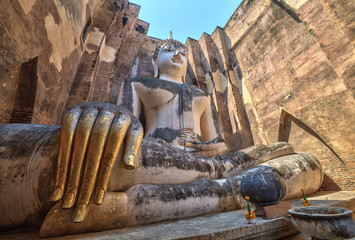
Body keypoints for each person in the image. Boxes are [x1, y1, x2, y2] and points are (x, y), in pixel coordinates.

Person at [0, 33, 323, 237]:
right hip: (151, 155)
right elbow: (125, 117)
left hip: (205, 160)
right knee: (126, 156)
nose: (178, 55)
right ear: (155, 58)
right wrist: (103, 112)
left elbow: (218, 139)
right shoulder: (140, 84)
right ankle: (236, 189)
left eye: (182, 51)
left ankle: (229, 185)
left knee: (299, 159)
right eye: (170, 50)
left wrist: (208, 146)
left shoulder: (200, 94)